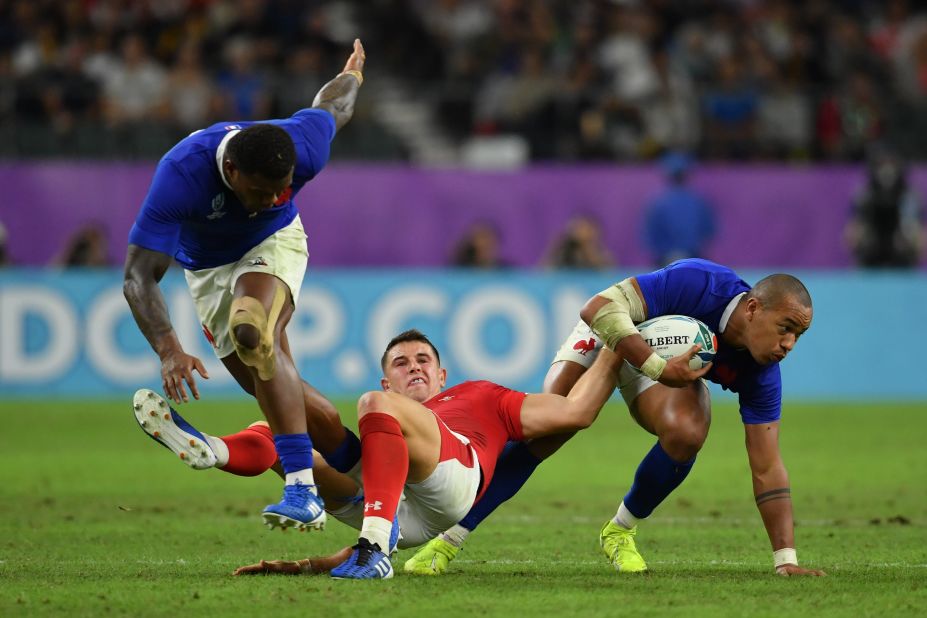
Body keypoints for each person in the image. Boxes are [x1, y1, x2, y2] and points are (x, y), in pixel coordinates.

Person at [405, 258, 826, 578]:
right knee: (547, 428)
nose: (788, 344)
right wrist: (657, 366)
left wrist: (785, 560)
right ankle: (447, 539)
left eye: (799, 336)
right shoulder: (700, 283)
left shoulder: (762, 372)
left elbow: (767, 465)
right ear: (753, 308)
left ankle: (620, 531)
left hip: (658, 365)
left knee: (686, 432)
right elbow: (599, 307)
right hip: (616, 333)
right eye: (785, 327)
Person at [135, 329, 622, 579]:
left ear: (442, 375)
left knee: (369, 412)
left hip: (450, 483)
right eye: (401, 363)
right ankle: (215, 451)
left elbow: (576, 413)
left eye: (423, 361)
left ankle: (372, 548)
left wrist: (616, 349)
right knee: (287, 432)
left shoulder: (482, 396)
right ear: (388, 377)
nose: (414, 369)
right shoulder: (382, 420)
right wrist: (304, 567)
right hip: (397, 515)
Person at [123, 39, 367, 533]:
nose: (270, 197)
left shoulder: (302, 150)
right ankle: (361, 469)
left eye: (281, 189)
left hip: (274, 244)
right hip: (209, 268)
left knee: (253, 331)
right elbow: (137, 277)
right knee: (274, 382)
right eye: (259, 191)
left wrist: (354, 77)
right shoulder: (181, 176)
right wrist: (170, 349)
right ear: (230, 170)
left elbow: (331, 108)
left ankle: (301, 489)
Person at [845, 147, 923, 268]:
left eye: (891, 164)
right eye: (882, 164)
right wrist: (857, 235)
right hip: (871, 256)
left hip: (901, 256)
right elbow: (853, 233)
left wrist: (912, 237)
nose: (887, 170)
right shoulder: (865, 196)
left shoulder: (909, 197)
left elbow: (916, 233)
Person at [642, 152, 716, 267]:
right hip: (693, 258)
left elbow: (650, 236)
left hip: (664, 260)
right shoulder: (698, 202)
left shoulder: (657, 203)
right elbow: (709, 231)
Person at [543, 214, 615, 269]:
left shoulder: (599, 252)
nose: (581, 232)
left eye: (586, 229)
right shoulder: (563, 251)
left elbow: (607, 274)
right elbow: (545, 273)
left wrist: (588, 247)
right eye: (578, 227)